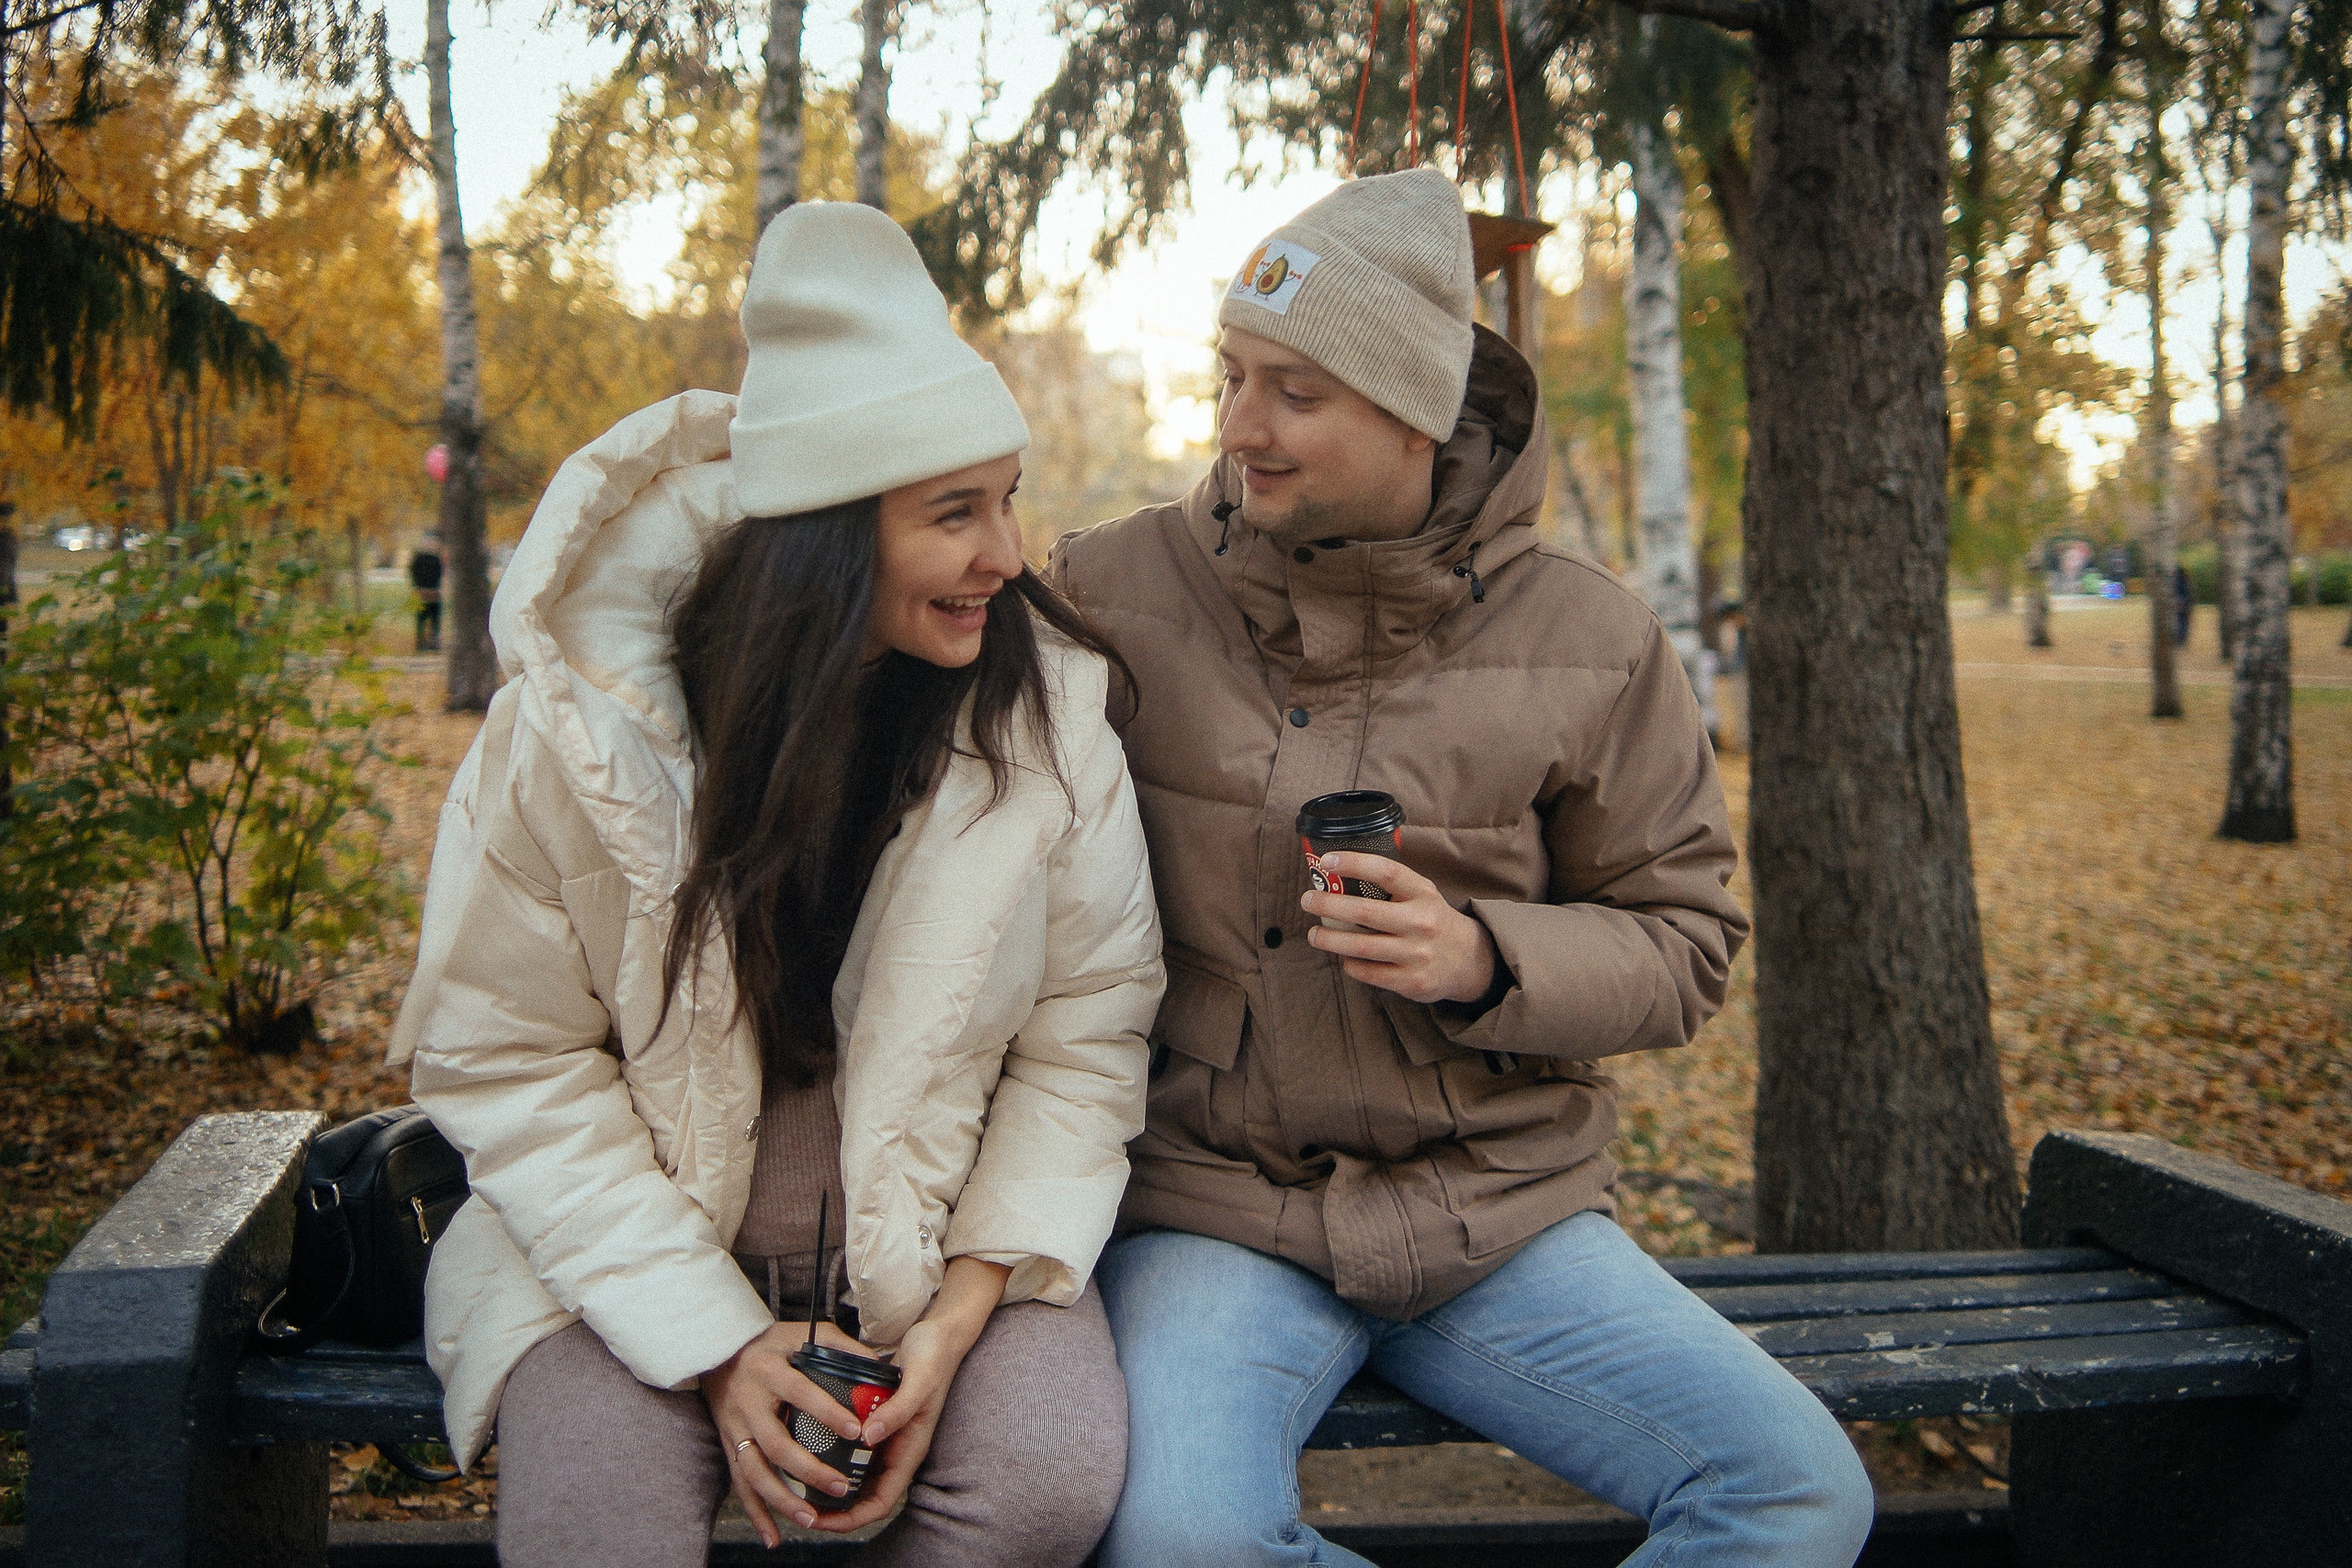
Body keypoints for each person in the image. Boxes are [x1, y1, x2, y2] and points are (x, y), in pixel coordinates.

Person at [1048, 169, 1873, 1567]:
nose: (1240, 425)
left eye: (1296, 392)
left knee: (1796, 1488)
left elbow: (1685, 941)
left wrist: (1490, 955)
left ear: (1420, 411)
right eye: (1234, 374)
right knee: (1184, 1541)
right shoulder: (1109, 591)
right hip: (1214, 1208)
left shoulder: (1594, 635)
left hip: (1499, 1209)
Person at [388, 203, 1163, 1568]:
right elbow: (503, 1054)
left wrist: (962, 1308)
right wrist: (715, 1338)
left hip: (937, 1248)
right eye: (953, 513)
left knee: (1043, 1475)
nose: (1006, 553)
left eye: (1008, 498)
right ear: (825, 535)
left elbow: (1087, 1035)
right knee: (596, 1522)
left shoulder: (1046, 721)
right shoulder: (581, 729)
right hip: (628, 1255)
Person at [409, 532, 444, 652]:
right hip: (422, 592)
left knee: (434, 620)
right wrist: (417, 587)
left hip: (433, 593)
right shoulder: (419, 559)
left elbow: (439, 575)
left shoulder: (436, 559)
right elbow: (413, 573)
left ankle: (434, 642)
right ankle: (420, 643)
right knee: (421, 620)